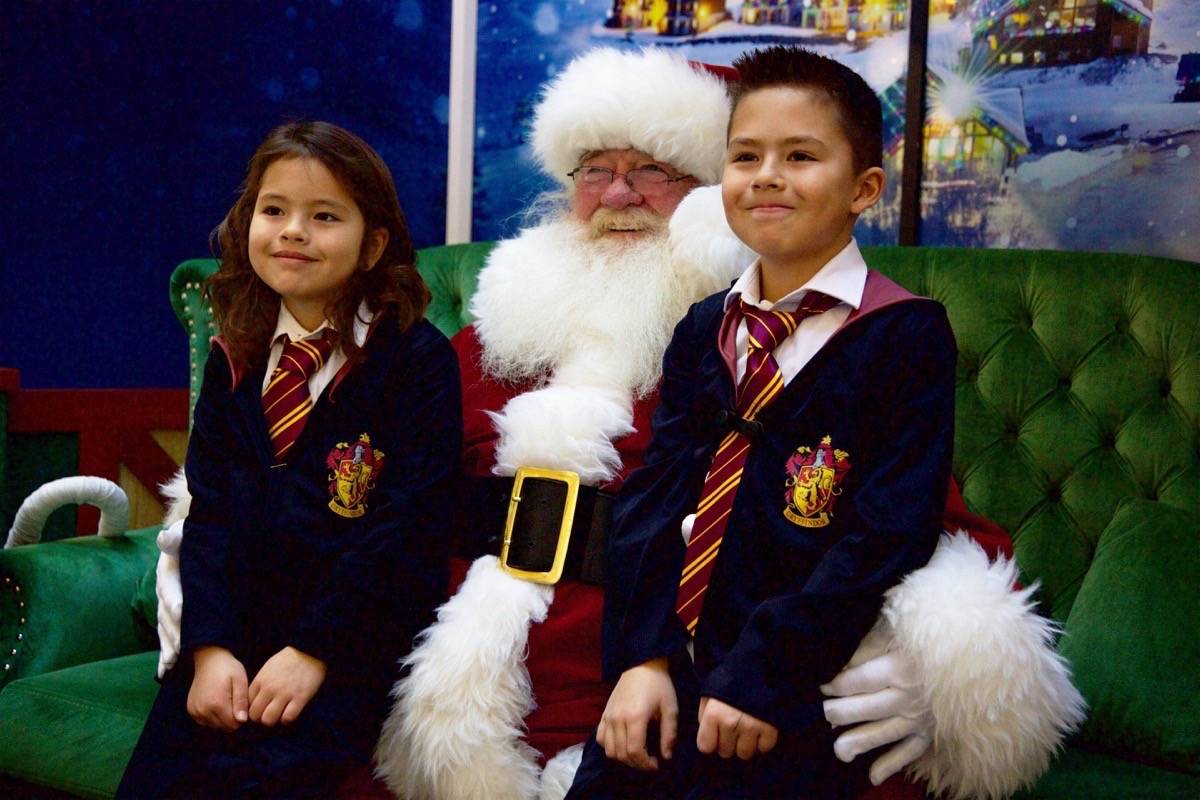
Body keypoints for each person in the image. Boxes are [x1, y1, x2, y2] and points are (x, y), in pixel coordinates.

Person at [376, 48, 1082, 800]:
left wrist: (944, 655)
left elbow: (909, 519)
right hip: (482, 676)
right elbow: (382, 496)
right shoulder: (499, 334)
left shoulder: (802, 345)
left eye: (653, 169)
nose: (618, 192)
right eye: (592, 168)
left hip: (682, 676)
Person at [565, 44, 948, 799]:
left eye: (800, 155)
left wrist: (764, 677)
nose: (767, 176)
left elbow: (888, 531)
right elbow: (654, 498)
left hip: (794, 680)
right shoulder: (705, 326)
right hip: (669, 671)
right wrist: (640, 660)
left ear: (864, 187)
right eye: (745, 156)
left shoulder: (904, 332)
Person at [119, 121, 461, 798]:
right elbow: (209, 516)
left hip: (350, 642)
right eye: (274, 211)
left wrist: (314, 653)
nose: (293, 231)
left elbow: (407, 532)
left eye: (325, 216)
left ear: (374, 245)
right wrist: (210, 650)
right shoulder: (234, 355)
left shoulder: (416, 361)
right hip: (234, 638)